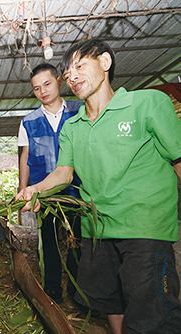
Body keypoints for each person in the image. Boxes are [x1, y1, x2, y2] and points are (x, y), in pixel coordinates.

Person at [16, 39, 181, 334]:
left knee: (151, 315)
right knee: (110, 302)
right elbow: (64, 174)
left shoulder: (147, 104)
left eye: (80, 66)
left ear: (105, 63)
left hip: (144, 227)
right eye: (67, 74)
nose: (73, 77)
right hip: (97, 228)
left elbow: (178, 157)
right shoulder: (73, 126)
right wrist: (34, 189)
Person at [18, 63, 83, 303]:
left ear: (59, 81)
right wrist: (23, 188)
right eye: (36, 88)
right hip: (43, 193)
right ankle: (53, 290)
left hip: (77, 191)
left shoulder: (80, 111)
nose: (43, 91)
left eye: (47, 84)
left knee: (77, 242)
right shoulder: (28, 121)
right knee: (49, 242)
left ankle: (78, 293)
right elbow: (25, 157)